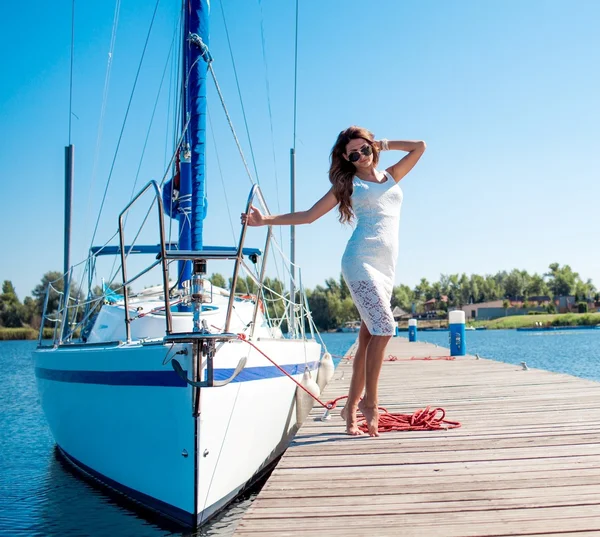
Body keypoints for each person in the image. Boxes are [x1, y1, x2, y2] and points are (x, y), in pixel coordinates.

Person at [241, 126, 426, 436]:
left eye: (365, 150)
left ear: (371, 147)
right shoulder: (350, 184)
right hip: (360, 262)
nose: (361, 157)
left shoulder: (392, 175)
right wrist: (265, 221)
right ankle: (371, 402)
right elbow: (310, 215)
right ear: (346, 158)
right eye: (353, 154)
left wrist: (382, 143)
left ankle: (349, 410)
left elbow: (419, 146)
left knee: (368, 337)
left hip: (386, 269)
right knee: (386, 327)